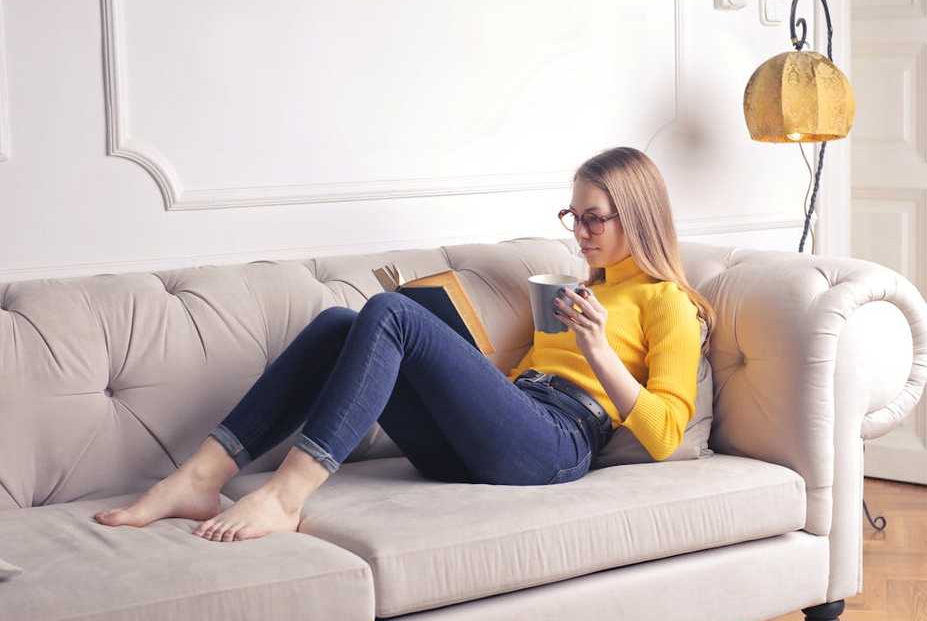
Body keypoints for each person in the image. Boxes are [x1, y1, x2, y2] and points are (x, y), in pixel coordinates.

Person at [92, 146, 715, 542]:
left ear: (636, 215)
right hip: (497, 432)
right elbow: (514, 390)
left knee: (388, 312)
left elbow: (665, 434)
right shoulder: (579, 289)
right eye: (572, 216)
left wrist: (600, 350)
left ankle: (286, 495)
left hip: (556, 445)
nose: (578, 232)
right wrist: (463, 363)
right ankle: (201, 476)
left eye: (593, 218)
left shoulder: (668, 304)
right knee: (341, 322)